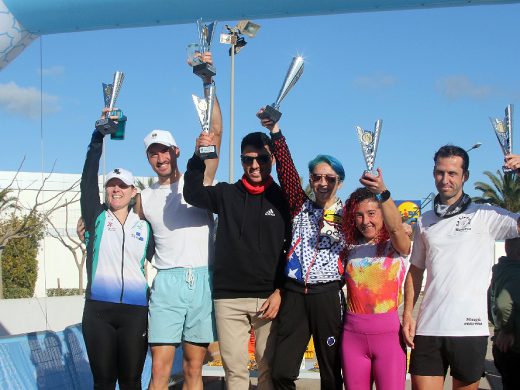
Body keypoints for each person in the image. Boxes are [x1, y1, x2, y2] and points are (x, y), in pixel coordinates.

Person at [134, 52, 223, 390]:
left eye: (164, 150)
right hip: (167, 283)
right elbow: (114, 218)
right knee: (159, 371)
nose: (159, 157)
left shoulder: (198, 181)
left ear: (175, 151)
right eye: (152, 153)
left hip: (202, 280)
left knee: (192, 370)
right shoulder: (143, 197)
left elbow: (214, 130)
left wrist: (207, 82)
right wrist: (89, 222)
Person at [402, 145, 520, 390]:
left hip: (469, 329)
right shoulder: (424, 221)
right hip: (428, 328)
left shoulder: (485, 215)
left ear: (465, 176)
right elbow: (415, 271)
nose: (445, 180)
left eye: (452, 173)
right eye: (440, 172)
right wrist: (407, 316)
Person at [183, 131, 291, 389]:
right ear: (241, 160)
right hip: (229, 299)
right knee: (236, 372)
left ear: (272, 159)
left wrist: (280, 290)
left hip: (269, 299)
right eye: (247, 159)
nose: (255, 165)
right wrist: (198, 157)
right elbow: (192, 193)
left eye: (262, 159)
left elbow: (293, 252)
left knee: (269, 370)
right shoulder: (226, 194)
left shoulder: (283, 199)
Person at [259, 111, 345, 390]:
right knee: (282, 371)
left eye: (329, 178)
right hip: (295, 294)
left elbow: (375, 233)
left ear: (339, 181)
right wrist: (276, 132)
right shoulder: (300, 205)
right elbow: (286, 169)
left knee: (331, 372)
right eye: (316, 177)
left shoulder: (350, 214)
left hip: (327, 296)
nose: (322, 183)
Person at [80, 109, 154, 389]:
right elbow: (87, 179)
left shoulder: (145, 227)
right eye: (111, 185)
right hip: (98, 311)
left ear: (133, 191)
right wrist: (98, 135)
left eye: (122, 185)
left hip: (135, 312)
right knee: (103, 381)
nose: (116, 190)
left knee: (132, 381)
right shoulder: (95, 218)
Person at [341, 171, 411, 390]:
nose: (365, 221)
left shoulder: (397, 246)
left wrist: (382, 192)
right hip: (352, 338)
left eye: (371, 213)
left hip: (389, 339)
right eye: (359, 215)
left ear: (383, 214)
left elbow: (397, 228)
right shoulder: (349, 249)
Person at [488, 237, 520, 390]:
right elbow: (503, 304)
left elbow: (490, 303)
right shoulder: (516, 274)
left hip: (502, 348)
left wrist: (499, 326)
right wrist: (507, 330)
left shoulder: (501, 270)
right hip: (514, 348)